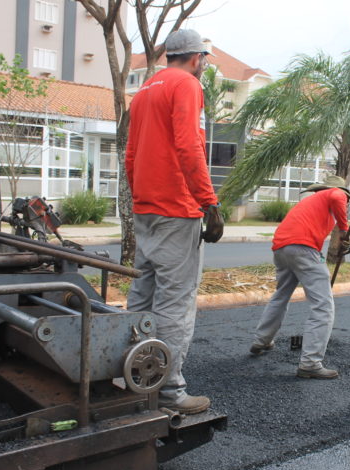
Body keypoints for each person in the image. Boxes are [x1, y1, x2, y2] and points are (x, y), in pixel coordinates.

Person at [125, 29, 223, 415]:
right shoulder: (186, 85)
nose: (204, 66)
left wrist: (141, 198)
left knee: (141, 298)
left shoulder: (145, 90)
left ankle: (130, 377)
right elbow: (189, 145)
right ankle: (169, 392)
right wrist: (208, 202)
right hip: (176, 210)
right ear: (197, 57)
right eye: (205, 60)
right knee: (175, 304)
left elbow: (131, 155)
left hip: (146, 209)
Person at [249, 175, 350, 379]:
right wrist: (343, 231)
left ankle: (261, 340)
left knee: (281, 295)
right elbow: (338, 195)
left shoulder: (311, 203)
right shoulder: (333, 193)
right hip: (303, 250)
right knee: (323, 305)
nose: (346, 202)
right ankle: (311, 363)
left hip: (282, 249)